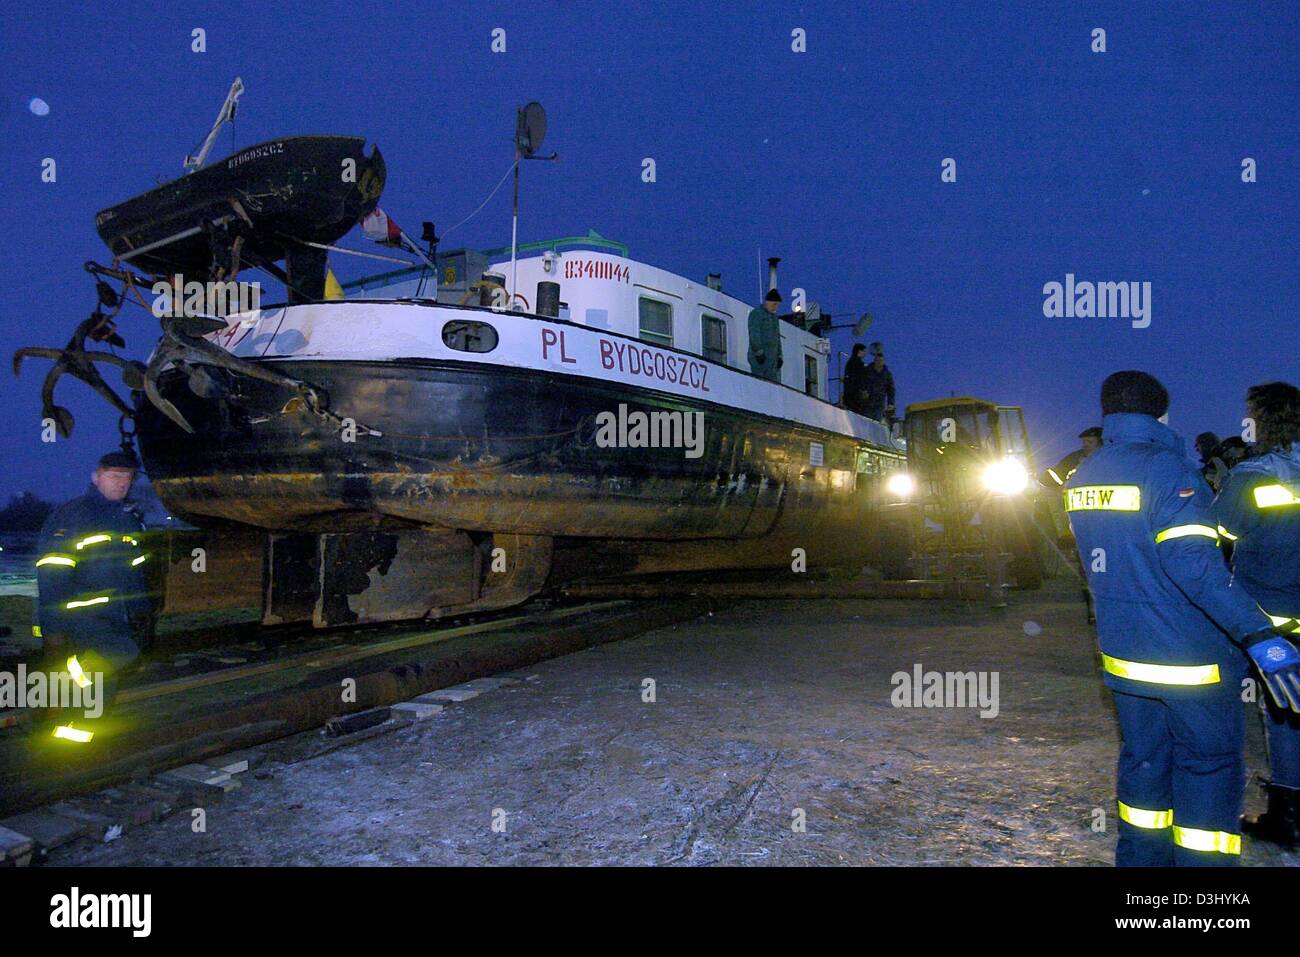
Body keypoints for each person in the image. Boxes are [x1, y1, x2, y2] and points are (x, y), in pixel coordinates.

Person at [1064, 370, 1300, 866]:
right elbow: (1195, 569)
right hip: (1191, 663)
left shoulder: (1084, 475)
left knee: (1144, 765)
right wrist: (1259, 634)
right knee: (1208, 770)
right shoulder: (1170, 472)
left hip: (1126, 659)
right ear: (1163, 415)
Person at [1215, 381, 1300, 846]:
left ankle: (1285, 817)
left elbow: (1221, 528)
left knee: (1284, 715)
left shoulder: (1253, 476)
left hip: (1268, 620)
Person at [35, 449, 155, 743]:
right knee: (119, 657)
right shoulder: (73, 516)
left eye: (127, 478)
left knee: (104, 682)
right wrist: (53, 629)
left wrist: (142, 612)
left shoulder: (127, 521)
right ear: (96, 477)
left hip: (115, 615)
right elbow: (52, 573)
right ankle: (61, 690)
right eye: (114, 476)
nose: (121, 484)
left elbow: (135, 571)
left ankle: (76, 743)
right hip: (78, 615)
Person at [747, 289, 783, 383]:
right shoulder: (757, 314)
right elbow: (754, 333)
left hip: (772, 359)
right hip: (760, 358)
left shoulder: (774, 318)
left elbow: (777, 338)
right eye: (774, 304)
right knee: (760, 382)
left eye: (777, 304)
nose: (776, 307)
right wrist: (758, 352)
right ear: (767, 302)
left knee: (772, 383)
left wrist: (779, 355)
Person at [862, 341, 896, 422]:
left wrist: (891, 403)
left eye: (881, 361)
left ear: (883, 361)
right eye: (877, 360)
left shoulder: (887, 374)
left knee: (876, 422)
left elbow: (891, 390)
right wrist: (863, 391)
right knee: (866, 421)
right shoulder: (867, 371)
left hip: (879, 403)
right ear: (874, 361)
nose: (879, 362)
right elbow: (861, 382)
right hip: (867, 402)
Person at [841, 343, 868, 414]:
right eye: (864, 351)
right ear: (859, 351)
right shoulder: (859, 364)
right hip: (856, 397)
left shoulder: (850, 362)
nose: (865, 353)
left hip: (849, 395)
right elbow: (861, 379)